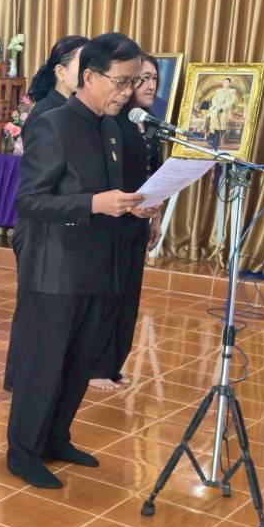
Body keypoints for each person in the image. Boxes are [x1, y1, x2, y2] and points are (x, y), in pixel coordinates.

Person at [6, 32, 147, 490]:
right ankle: (23, 453)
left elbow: (109, 195)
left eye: (133, 83)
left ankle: (56, 438)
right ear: (89, 77)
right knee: (43, 366)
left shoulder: (112, 128)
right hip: (55, 270)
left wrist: (134, 206)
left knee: (79, 362)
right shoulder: (52, 124)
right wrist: (94, 204)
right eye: (121, 82)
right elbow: (30, 202)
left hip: (99, 265)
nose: (127, 93)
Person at [3, 34, 89, 392]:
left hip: (64, 224)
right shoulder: (47, 113)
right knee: (33, 309)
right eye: (83, 65)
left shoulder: (80, 111)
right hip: (39, 225)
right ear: (60, 71)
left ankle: (40, 378)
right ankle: (21, 380)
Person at [90, 53, 165, 390]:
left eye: (154, 79)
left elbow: (155, 175)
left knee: (130, 295)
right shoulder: (113, 123)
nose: (149, 86)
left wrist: (155, 218)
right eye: (142, 79)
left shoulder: (150, 124)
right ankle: (95, 366)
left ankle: (114, 363)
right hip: (114, 218)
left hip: (140, 219)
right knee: (109, 293)